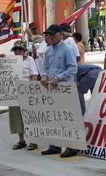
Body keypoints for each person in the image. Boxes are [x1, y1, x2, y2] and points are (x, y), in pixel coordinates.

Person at [40, 24, 78, 157]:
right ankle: (55, 145)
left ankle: (72, 147)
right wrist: (44, 75)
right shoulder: (49, 50)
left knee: (68, 117)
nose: (49, 37)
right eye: (47, 34)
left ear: (60, 34)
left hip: (65, 88)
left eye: (51, 34)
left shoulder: (67, 49)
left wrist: (58, 77)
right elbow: (45, 67)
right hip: (52, 88)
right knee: (54, 117)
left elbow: (73, 68)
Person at [9, 40, 38, 151]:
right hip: (14, 93)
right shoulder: (10, 61)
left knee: (30, 117)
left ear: (24, 51)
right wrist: (1, 59)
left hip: (26, 92)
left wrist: (30, 91)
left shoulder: (29, 60)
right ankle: (22, 140)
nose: (17, 51)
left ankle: (33, 140)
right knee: (16, 117)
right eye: (15, 49)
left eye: (20, 49)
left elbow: (34, 76)